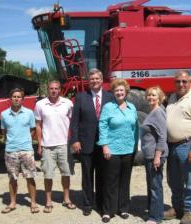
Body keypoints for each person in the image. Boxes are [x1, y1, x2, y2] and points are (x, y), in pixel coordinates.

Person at [165, 70, 191, 224]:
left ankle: (190, 211)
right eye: (178, 81)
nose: (181, 84)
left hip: (187, 145)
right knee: (174, 180)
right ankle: (177, 208)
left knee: (190, 180)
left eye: (184, 81)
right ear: (174, 83)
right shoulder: (172, 97)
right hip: (172, 147)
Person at [70, 68, 114, 216]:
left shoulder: (110, 97)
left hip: (104, 145)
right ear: (89, 81)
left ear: (102, 80)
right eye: (92, 79)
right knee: (87, 176)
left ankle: (101, 204)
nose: (95, 81)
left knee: (102, 175)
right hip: (85, 143)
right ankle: (87, 204)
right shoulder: (81, 97)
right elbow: (74, 121)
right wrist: (75, 139)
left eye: (97, 78)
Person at [98, 79, 138, 223]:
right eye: (117, 91)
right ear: (113, 93)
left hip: (128, 149)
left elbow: (136, 128)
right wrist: (104, 145)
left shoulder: (132, 108)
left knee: (125, 180)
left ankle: (124, 208)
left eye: (122, 90)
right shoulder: (108, 107)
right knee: (110, 181)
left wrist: (135, 146)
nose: (119, 93)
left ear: (126, 92)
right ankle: (108, 211)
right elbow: (102, 126)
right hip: (112, 150)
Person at [34, 80, 76, 213]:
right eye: (51, 88)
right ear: (48, 89)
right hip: (47, 145)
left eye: (56, 88)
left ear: (60, 90)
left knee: (66, 173)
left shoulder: (67, 103)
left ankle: (67, 199)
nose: (54, 91)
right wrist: (39, 144)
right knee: (48, 175)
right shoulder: (40, 104)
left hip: (64, 144)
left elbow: (73, 123)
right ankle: (48, 201)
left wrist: (74, 141)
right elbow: (38, 125)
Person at [0, 88, 39, 214]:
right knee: (12, 178)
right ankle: (12, 203)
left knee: (30, 177)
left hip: (26, 150)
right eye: (14, 96)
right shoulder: (4, 114)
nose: (16, 99)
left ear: (23, 99)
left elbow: (33, 129)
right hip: (10, 151)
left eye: (19, 97)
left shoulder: (29, 113)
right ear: (10, 99)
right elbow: (4, 132)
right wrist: (12, 141)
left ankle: (33, 203)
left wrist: (24, 140)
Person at [140, 87, 168, 224]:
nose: (151, 97)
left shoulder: (158, 113)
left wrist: (157, 156)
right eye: (149, 95)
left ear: (160, 97)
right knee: (152, 184)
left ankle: (156, 217)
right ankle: (154, 212)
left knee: (155, 186)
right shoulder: (152, 111)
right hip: (149, 155)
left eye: (154, 95)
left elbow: (163, 136)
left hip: (155, 156)